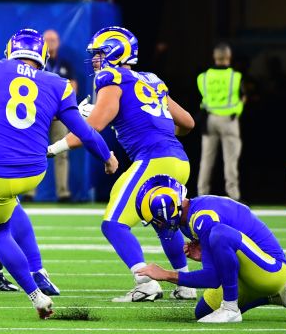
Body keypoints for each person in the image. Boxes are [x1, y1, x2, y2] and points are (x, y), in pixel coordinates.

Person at [0, 28, 118, 320]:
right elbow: (85, 132)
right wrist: (107, 156)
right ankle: (38, 267)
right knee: (8, 201)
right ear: (41, 55)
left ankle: (35, 295)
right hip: (34, 172)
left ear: (10, 50)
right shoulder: (58, 83)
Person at [52, 26, 198, 303]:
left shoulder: (111, 77)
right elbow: (188, 122)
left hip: (152, 160)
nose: (95, 59)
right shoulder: (152, 79)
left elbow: (92, 128)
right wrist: (164, 135)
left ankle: (145, 282)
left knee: (113, 224)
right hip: (179, 160)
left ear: (116, 52)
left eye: (99, 53)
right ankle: (185, 282)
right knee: (163, 223)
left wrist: (51, 149)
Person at [133, 177, 286, 323]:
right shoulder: (189, 218)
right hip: (247, 272)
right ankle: (276, 295)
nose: (158, 225)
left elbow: (212, 278)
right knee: (203, 312)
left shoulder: (202, 217)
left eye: (156, 220)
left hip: (270, 270)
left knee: (220, 234)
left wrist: (165, 274)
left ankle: (231, 308)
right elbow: (222, 264)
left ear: (168, 209)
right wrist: (206, 255)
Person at [196, 43, 243, 200]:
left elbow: (203, 95)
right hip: (229, 120)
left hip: (209, 119)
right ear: (228, 57)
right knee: (230, 160)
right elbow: (242, 96)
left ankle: (202, 194)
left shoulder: (203, 77)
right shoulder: (235, 77)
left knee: (206, 160)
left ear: (215, 57)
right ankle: (233, 195)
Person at [41, 29, 77, 202]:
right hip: (40, 113)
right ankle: (28, 191)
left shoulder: (65, 64)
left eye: (54, 39)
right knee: (31, 149)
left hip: (59, 114)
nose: (51, 42)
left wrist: (67, 108)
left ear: (59, 42)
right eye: (48, 39)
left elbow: (72, 86)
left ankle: (63, 192)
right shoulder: (38, 63)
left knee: (62, 151)